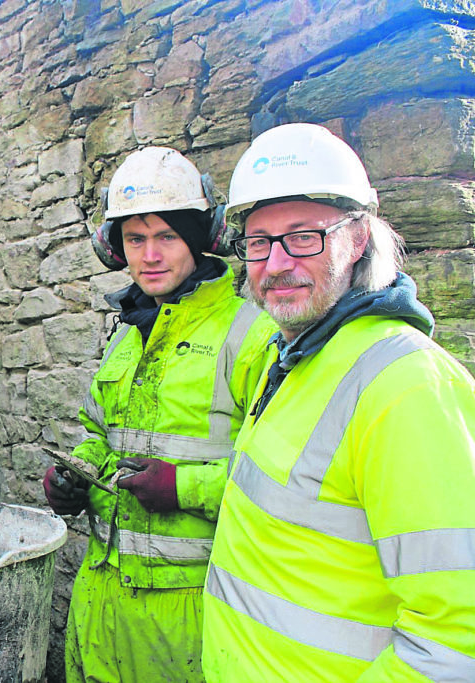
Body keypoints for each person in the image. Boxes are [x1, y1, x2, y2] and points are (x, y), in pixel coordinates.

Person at [202, 122, 475, 681]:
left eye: (304, 236)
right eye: (258, 242)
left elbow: (457, 639)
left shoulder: (407, 384)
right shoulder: (297, 357)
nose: (275, 263)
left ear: (356, 239)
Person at [42, 147, 277, 682]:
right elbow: (101, 435)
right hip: (101, 596)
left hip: (192, 610)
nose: (149, 255)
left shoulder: (251, 337)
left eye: (166, 236)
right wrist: (74, 475)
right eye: (134, 238)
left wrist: (182, 488)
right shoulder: (126, 336)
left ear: (200, 239)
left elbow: (282, 480)